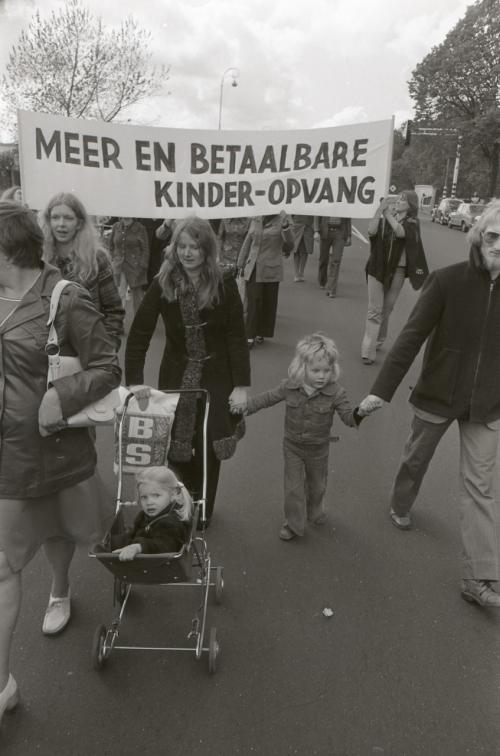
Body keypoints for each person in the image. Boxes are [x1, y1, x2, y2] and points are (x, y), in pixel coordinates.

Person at [0, 201, 121, 723]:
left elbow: (108, 365)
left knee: (58, 532)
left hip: (55, 453)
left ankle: (60, 588)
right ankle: (2, 684)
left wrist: (63, 395)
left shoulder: (66, 298)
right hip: (8, 461)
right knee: (2, 567)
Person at [359, 199, 500, 608]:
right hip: (439, 391)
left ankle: (478, 577)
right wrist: (379, 391)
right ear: (478, 238)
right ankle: (401, 501)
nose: (499, 245)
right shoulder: (447, 281)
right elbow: (409, 338)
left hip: (488, 404)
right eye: (493, 236)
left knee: (481, 488)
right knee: (416, 457)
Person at [125, 216, 250, 525]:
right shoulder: (163, 281)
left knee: (208, 442)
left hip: (218, 375)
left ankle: (204, 508)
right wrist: (135, 382)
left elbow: (236, 336)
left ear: (207, 249)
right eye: (181, 246)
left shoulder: (224, 281)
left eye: (194, 246)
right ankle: (181, 505)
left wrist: (241, 386)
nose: (187, 253)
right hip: (176, 373)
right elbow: (140, 331)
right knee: (177, 443)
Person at [242, 332, 366, 541]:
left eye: (326, 370)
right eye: (315, 370)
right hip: (293, 447)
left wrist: (361, 411)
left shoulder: (336, 392)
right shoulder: (289, 387)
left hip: (318, 449)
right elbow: (267, 398)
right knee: (293, 488)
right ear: (302, 367)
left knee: (317, 487)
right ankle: (293, 524)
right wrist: (245, 407)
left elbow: (348, 418)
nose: (321, 376)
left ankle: (315, 509)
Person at [40, 193, 124, 349]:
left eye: (68, 218)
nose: (61, 224)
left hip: (88, 351)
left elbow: (114, 311)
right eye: (55, 217)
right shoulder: (38, 259)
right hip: (47, 354)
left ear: (79, 223)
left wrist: (107, 350)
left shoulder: (96, 259)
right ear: (48, 221)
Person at [360, 190, 428, 365]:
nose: (397, 202)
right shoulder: (385, 219)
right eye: (396, 199)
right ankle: (368, 351)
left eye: (402, 200)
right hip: (377, 268)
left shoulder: (412, 223)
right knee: (374, 310)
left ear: (410, 205)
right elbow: (371, 231)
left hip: (397, 271)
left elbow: (400, 232)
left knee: (386, 309)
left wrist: (387, 212)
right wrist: (379, 210)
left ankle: (379, 339)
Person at [237, 213, 295, 348]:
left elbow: (290, 244)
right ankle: (249, 334)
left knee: (268, 301)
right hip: (253, 267)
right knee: (253, 300)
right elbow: (248, 241)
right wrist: (240, 263)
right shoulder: (257, 216)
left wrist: (286, 228)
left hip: (271, 267)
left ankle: (261, 331)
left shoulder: (284, 218)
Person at [110, 467, 193, 559]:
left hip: (156, 562)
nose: (149, 502)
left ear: (173, 494)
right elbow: (134, 533)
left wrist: (138, 547)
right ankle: (110, 543)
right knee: (115, 541)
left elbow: (164, 546)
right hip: (143, 546)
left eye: (156, 495)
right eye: (144, 497)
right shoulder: (149, 515)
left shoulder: (170, 524)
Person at [108, 217, 150, 314]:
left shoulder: (140, 228)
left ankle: (138, 324)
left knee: (137, 299)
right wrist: (113, 259)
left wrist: (142, 266)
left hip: (135, 268)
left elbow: (145, 250)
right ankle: (119, 323)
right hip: (119, 267)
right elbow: (111, 246)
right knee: (119, 296)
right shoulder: (116, 226)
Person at [316, 216, 352, 296]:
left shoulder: (344, 203)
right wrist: (316, 230)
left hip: (339, 233)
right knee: (323, 259)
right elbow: (317, 214)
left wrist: (349, 235)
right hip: (325, 232)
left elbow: (348, 217)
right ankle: (322, 281)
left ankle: (332, 289)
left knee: (336, 260)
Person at [290, 215, 315, 282]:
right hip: (296, 226)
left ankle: (301, 273)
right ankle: (296, 274)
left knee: (305, 251)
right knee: (296, 250)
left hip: (308, 227)